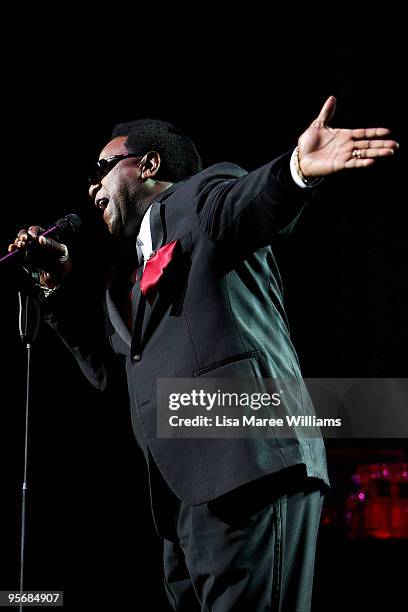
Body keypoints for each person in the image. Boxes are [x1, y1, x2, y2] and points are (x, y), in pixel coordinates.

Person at [9, 96, 399, 611]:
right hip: (184, 497)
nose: (91, 187)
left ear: (148, 165)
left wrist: (296, 170)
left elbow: (247, 204)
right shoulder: (124, 282)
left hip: (247, 465)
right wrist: (55, 293)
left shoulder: (196, 199)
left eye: (102, 169)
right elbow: (112, 375)